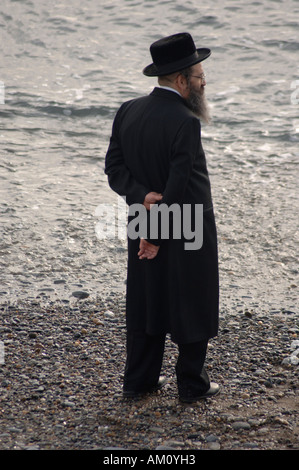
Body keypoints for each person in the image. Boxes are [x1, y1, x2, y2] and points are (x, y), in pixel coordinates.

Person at [104, 32, 219, 403]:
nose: (203, 84)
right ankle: (192, 385)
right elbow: (180, 183)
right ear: (182, 80)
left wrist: (141, 199)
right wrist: (155, 234)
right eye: (200, 77)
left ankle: (139, 381)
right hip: (187, 225)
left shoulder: (128, 110)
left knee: (146, 299)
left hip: (142, 219)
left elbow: (114, 169)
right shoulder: (186, 120)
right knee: (193, 298)